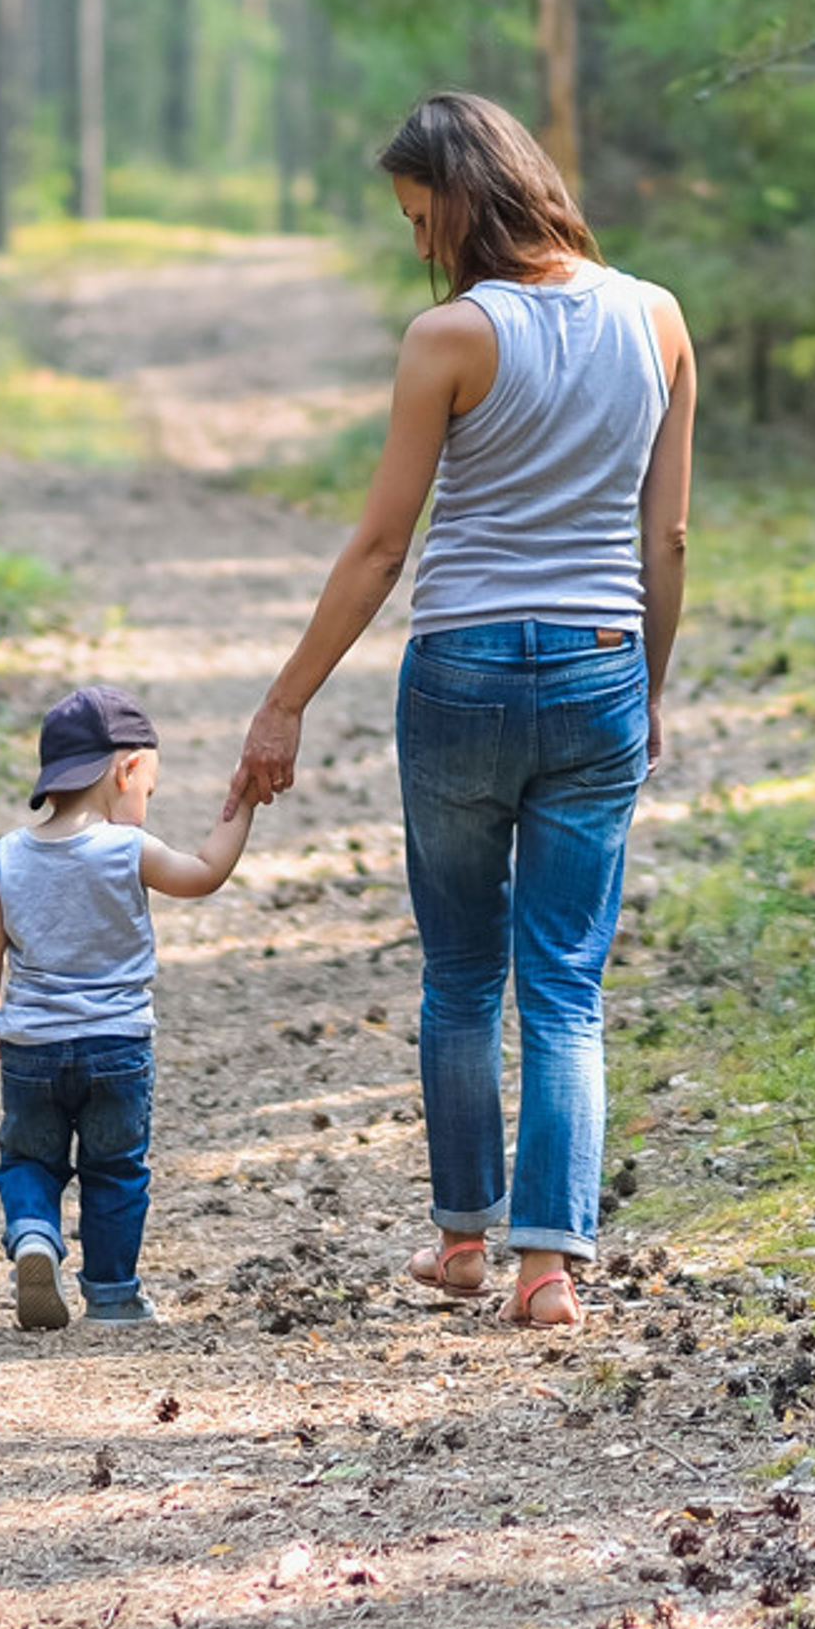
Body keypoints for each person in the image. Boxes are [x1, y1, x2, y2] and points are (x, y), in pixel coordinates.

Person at [223, 90, 697, 1332]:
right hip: (600, 664)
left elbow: (384, 547)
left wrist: (284, 703)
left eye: (420, 216)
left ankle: (462, 1242)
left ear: (467, 201)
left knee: (461, 971)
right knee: (566, 983)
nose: (418, 242)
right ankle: (552, 1265)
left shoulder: (449, 339)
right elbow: (669, 536)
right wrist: (644, 685)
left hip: (464, 672)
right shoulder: (658, 321)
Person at [0, 683, 256, 1331]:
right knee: (116, 1171)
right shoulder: (128, 850)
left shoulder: (8, 857)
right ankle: (114, 1296)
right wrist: (245, 803)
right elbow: (205, 872)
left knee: (29, 1161)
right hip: (117, 1049)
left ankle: (36, 1235)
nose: (144, 806)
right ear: (126, 769)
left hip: (32, 1051)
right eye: (146, 792)